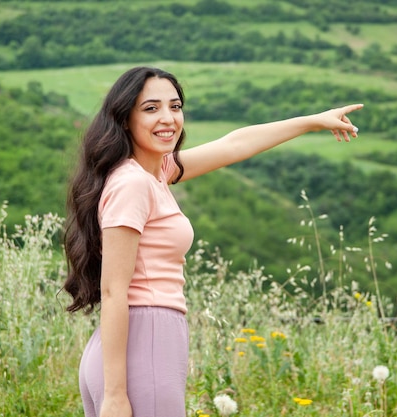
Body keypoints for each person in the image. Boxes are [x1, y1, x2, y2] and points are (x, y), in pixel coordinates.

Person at [62, 66, 363, 417]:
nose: (168, 118)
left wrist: (313, 121)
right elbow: (114, 289)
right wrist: (115, 395)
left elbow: (234, 145)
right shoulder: (133, 184)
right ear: (124, 119)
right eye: (151, 108)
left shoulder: (156, 172)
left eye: (175, 107)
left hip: (137, 346)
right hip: (145, 342)